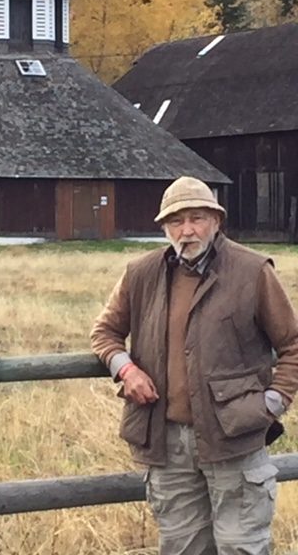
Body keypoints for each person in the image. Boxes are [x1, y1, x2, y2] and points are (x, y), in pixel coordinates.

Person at [90, 176, 298, 555]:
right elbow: (104, 332)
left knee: (242, 547)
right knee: (183, 548)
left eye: (197, 218)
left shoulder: (252, 271)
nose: (187, 230)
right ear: (165, 227)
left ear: (217, 221)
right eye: (176, 221)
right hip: (166, 441)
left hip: (234, 435)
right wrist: (126, 369)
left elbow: (293, 343)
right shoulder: (141, 273)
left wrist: (273, 401)